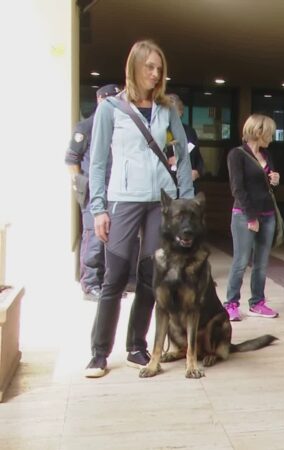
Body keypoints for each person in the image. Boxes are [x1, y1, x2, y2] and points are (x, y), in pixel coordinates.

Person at [85, 40, 194, 378]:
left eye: (159, 67)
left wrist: (185, 200)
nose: (155, 73)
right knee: (114, 277)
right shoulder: (111, 109)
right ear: (133, 67)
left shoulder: (167, 110)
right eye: (149, 66)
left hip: (160, 202)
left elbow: (185, 157)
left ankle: (137, 345)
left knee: (150, 276)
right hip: (124, 199)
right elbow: (99, 162)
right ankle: (99, 353)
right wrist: (98, 208)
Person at [65, 84, 120, 302]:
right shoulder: (86, 127)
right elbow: (71, 159)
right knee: (93, 237)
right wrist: (81, 185)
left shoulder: (118, 126)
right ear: (101, 100)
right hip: (93, 192)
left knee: (111, 238)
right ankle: (89, 284)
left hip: (114, 191)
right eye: (112, 100)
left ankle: (106, 284)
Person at [223, 113, 281, 322]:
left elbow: (266, 184)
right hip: (244, 215)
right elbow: (237, 189)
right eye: (270, 133)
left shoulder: (267, 155)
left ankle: (257, 302)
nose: (272, 138)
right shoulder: (236, 155)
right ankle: (230, 303)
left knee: (262, 263)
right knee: (240, 261)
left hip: (268, 213)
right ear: (258, 132)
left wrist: (274, 179)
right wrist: (251, 217)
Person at [166, 93, 205, 194]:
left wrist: (197, 172)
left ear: (181, 112)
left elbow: (198, 159)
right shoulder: (159, 131)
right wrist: (168, 160)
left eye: (175, 112)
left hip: (187, 186)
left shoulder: (189, 131)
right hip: (166, 185)